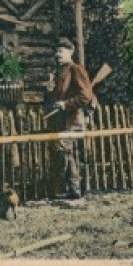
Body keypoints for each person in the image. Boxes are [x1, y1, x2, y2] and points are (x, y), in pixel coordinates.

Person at [47, 38, 97, 201]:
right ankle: (72, 190)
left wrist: (66, 104)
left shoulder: (76, 69)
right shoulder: (58, 72)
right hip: (60, 121)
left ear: (70, 52)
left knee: (62, 151)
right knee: (64, 153)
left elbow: (85, 95)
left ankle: (64, 190)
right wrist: (49, 90)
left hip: (73, 121)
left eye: (61, 51)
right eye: (56, 51)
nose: (57, 54)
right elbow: (56, 97)